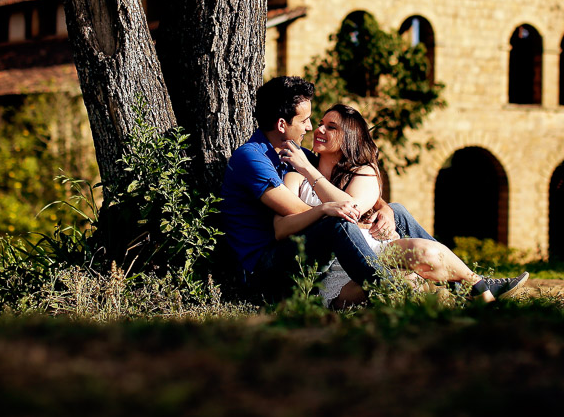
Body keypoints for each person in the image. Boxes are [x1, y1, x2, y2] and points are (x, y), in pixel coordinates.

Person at [219, 75, 526, 304]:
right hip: (266, 267)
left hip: (298, 249)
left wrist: (384, 208)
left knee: (398, 212)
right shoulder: (254, 157)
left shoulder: (297, 156)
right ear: (283, 124)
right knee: (336, 223)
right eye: (307, 121)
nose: (312, 128)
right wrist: (330, 207)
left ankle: (471, 283)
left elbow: (348, 194)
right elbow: (295, 214)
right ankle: (390, 290)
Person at [278, 103, 529, 308]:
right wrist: (307, 173)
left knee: (426, 252)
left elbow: (350, 208)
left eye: (331, 127)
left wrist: (311, 171)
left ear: (348, 138)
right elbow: (283, 227)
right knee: (408, 285)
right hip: (332, 271)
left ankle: (478, 289)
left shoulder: (363, 173)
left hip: (375, 253)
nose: (319, 129)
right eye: (320, 123)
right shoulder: (296, 177)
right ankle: (478, 289)